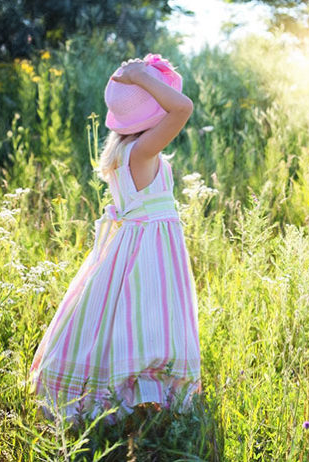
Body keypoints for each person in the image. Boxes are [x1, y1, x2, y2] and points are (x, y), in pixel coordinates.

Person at [28, 53, 202, 425]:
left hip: (131, 246)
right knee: (149, 319)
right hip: (150, 251)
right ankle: (144, 394)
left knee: (117, 318)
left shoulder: (124, 151)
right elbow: (183, 108)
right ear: (154, 111)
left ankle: (136, 394)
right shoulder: (142, 152)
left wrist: (139, 80)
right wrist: (140, 75)